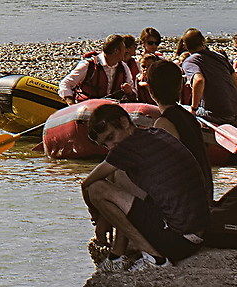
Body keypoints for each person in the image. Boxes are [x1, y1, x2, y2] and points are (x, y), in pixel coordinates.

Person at [81, 104, 208, 267]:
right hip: (196, 237)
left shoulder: (127, 147)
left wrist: (98, 221)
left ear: (124, 122)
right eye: (105, 144)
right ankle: (118, 253)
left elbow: (86, 185)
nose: (110, 147)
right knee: (118, 174)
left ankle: (155, 259)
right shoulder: (154, 134)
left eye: (111, 137)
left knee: (97, 189)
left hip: (178, 242)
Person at [141, 58, 214, 190]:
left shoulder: (164, 123)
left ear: (150, 90)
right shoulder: (188, 117)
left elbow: (159, 168)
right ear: (180, 87)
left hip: (186, 202)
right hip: (202, 194)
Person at [178, 29, 237, 127]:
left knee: (179, 108)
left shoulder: (190, 62)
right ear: (203, 41)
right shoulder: (220, 57)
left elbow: (199, 80)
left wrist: (193, 108)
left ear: (185, 45)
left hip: (216, 115)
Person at [62, 34, 140, 104]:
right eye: (123, 48)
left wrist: (129, 92)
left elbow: (133, 91)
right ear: (116, 51)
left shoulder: (123, 67)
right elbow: (65, 84)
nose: (125, 51)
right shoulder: (88, 65)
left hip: (110, 110)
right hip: (87, 107)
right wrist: (71, 104)